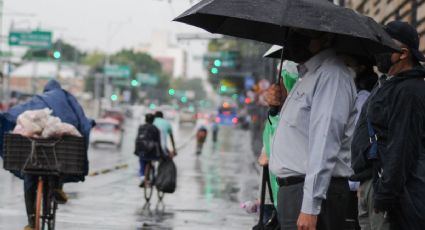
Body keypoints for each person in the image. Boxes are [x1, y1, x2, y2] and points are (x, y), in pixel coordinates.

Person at [266, 28, 357, 230]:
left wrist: (310, 207)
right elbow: (301, 133)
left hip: (310, 195)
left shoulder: (332, 75)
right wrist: (277, 107)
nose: (293, 39)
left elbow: (325, 142)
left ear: (326, 37)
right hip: (295, 192)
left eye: (302, 33)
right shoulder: (308, 76)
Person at [351, 21, 425, 230]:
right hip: (371, 185)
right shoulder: (388, 84)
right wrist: (364, 182)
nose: (378, 50)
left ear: (402, 53)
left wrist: (384, 195)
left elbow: (402, 146)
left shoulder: (409, 90)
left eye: (384, 45)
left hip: (386, 194)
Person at [0, 80, 94, 230]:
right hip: (57, 150)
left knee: (29, 176)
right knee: (61, 163)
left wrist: (7, 117)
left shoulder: (39, 100)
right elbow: (81, 119)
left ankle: (31, 222)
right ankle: (58, 188)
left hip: (34, 154)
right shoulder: (67, 99)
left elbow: (20, 111)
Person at [343, 55, 378, 230]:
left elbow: (358, 140)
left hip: (354, 181)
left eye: (349, 63)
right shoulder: (357, 93)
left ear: (361, 68)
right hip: (352, 179)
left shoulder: (363, 97)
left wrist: (357, 183)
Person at [135, 113, 162, 187]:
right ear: (153, 120)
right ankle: (153, 178)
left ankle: (142, 177)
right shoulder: (156, 129)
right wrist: (160, 153)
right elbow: (158, 142)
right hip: (152, 152)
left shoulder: (141, 127)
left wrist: (136, 151)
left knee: (141, 161)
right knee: (154, 162)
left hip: (141, 150)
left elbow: (137, 139)